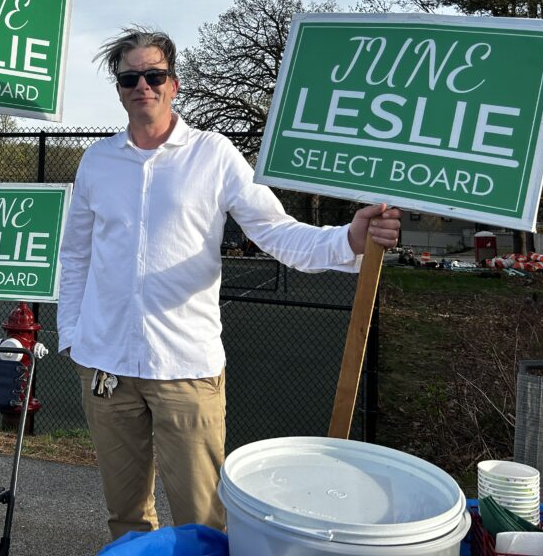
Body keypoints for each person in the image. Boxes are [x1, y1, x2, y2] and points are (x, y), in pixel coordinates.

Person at [57, 28, 401, 540]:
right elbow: (76, 254)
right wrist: (72, 335)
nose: (142, 86)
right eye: (130, 77)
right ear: (119, 87)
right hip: (105, 364)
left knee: (203, 521)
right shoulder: (97, 161)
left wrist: (348, 240)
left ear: (173, 84)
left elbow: (275, 231)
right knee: (125, 519)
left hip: (185, 368)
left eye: (154, 75)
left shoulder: (213, 155)